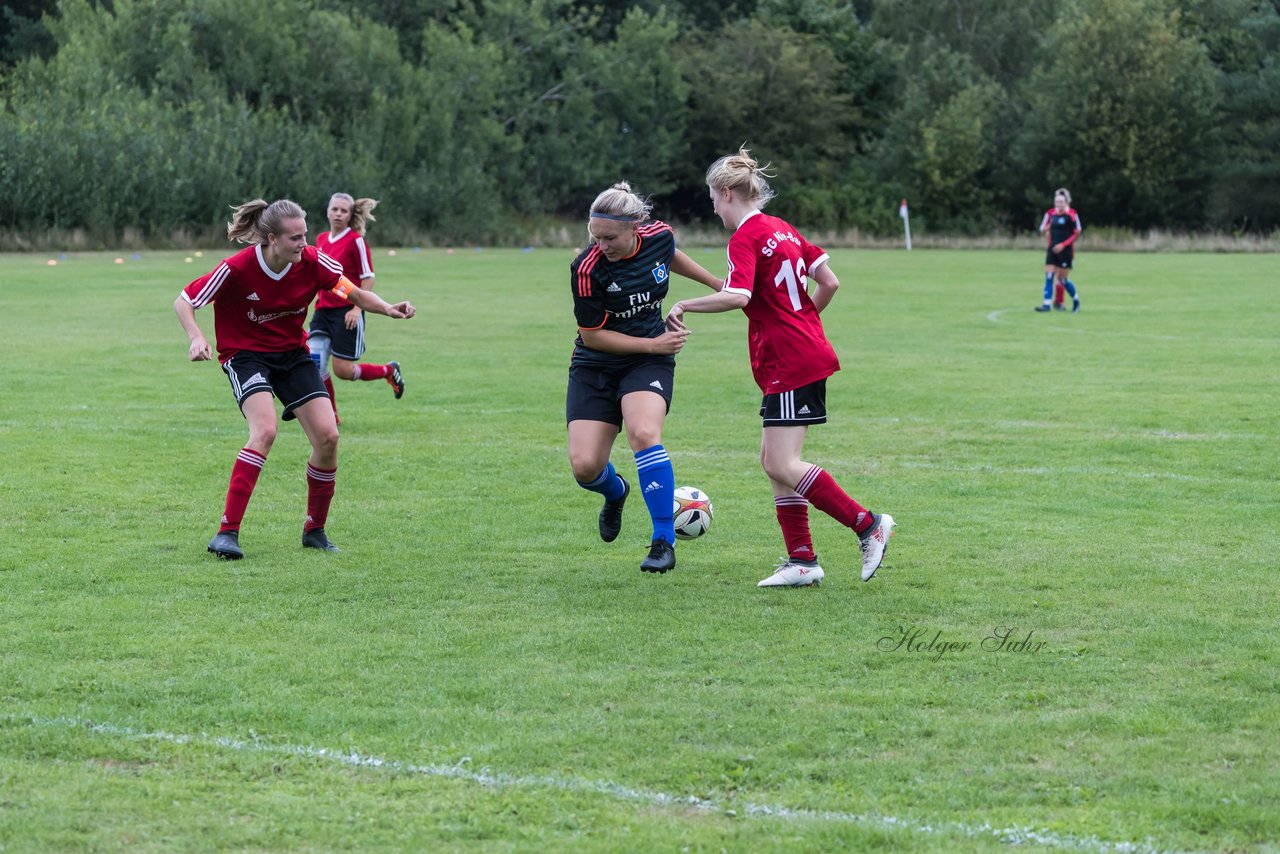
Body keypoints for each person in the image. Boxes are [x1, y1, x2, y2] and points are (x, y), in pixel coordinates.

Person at [665, 148, 894, 587]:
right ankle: (802, 561)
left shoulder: (745, 238)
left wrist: (684, 303)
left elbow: (738, 296)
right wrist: (806, 322)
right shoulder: (783, 230)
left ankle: (868, 525)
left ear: (727, 193)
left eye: (713, 198)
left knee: (783, 462)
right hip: (796, 353)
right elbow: (829, 281)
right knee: (774, 461)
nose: (713, 208)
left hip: (790, 359)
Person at [174, 198, 416, 560]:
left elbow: (353, 291)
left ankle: (314, 530)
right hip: (246, 356)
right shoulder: (237, 268)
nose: (304, 244)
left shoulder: (313, 262)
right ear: (272, 239)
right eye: (295, 238)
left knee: (328, 436)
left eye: (305, 235)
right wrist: (196, 336)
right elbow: (184, 300)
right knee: (265, 431)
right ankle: (227, 532)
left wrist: (387, 308)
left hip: (292, 356)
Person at [567, 182, 722, 574]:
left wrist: (719, 285)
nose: (601, 245)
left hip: (647, 364)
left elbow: (670, 256)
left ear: (635, 227)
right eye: (595, 237)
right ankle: (615, 492)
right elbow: (593, 335)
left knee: (643, 433)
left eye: (610, 237)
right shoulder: (587, 269)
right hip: (596, 363)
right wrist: (654, 345)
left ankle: (662, 542)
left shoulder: (659, 236)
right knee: (585, 467)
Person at [308, 193, 404, 425]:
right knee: (314, 363)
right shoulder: (320, 239)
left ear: (350, 215)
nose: (339, 214)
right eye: (335, 209)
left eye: (344, 211)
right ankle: (331, 417)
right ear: (328, 211)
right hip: (323, 312)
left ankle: (388, 371)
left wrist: (355, 309)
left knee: (343, 371)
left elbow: (368, 279)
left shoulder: (356, 241)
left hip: (346, 313)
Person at [1036, 188, 1082, 313]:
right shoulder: (1051, 214)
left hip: (1065, 251)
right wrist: (1048, 228)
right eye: (1057, 201)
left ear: (1066, 202)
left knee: (1062, 279)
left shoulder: (1071, 214)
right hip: (1052, 250)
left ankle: (1076, 301)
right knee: (1049, 276)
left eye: (1061, 201)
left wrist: (1063, 245)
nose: (1059, 204)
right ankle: (1046, 305)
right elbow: (1042, 229)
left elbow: (1077, 232)